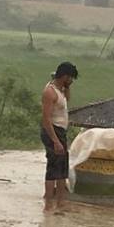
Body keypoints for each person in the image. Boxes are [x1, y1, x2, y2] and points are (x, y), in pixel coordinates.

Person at [41, 61, 78, 211]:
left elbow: (66, 100)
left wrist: (67, 87)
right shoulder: (49, 92)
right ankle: (49, 203)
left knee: (62, 167)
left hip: (60, 131)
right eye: (70, 78)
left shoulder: (61, 90)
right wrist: (55, 141)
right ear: (64, 76)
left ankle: (61, 201)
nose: (71, 81)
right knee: (53, 167)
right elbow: (46, 119)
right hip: (52, 131)